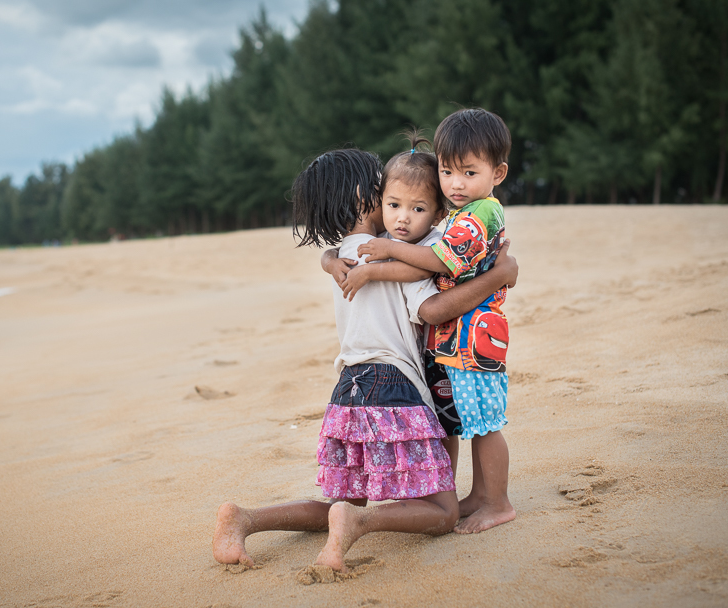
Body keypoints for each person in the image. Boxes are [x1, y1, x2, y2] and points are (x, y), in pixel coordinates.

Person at [213, 142, 518, 573]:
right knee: (442, 512)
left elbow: (338, 256)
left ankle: (246, 519)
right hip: (393, 385)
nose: (395, 208)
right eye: (384, 193)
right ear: (365, 199)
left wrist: (325, 259)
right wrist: (498, 277)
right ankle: (361, 522)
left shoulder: (342, 255)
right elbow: (431, 308)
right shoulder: (388, 250)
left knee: (339, 501)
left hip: (348, 390)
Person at [350, 108, 516, 534]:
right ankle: (474, 495)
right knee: (455, 419)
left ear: (497, 173)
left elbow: (438, 260)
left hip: (474, 340)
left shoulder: (480, 216)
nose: (456, 183)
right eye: (447, 171)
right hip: (451, 343)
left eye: (469, 172)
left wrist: (389, 251)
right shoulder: (464, 214)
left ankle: (497, 501)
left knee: (484, 424)